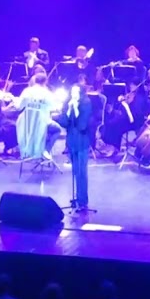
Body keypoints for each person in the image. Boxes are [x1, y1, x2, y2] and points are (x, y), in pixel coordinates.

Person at [59, 74, 95, 212]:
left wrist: (75, 110)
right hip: (72, 141)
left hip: (82, 141)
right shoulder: (68, 103)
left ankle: (83, 200)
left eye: (76, 92)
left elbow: (82, 126)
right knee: (75, 170)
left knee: (81, 171)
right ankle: (77, 197)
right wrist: (69, 111)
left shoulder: (86, 104)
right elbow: (63, 122)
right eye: (72, 92)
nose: (73, 95)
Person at [12, 71, 62, 161]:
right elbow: (55, 108)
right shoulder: (47, 93)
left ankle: (30, 152)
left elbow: (19, 107)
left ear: (35, 80)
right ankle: (45, 150)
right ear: (45, 81)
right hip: (41, 122)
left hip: (25, 123)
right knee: (57, 129)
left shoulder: (27, 91)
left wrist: (14, 100)